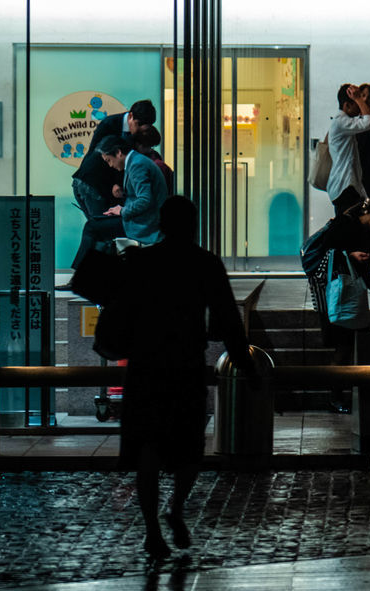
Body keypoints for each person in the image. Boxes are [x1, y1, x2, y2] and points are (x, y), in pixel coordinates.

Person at [116, 195, 256, 565]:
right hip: (185, 366)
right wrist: (246, 364)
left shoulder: (141, 262)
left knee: (147, 450)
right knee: (188, 449)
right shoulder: (204, 264)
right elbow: (227, 319)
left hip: (146, 368)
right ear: (193, 225)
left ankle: (151, 531)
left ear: (160, 222)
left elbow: (121, 313)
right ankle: (176, 508)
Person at [305, 197, 370, 413]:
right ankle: (336, 397)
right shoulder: (345, 223)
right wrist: (348, 255)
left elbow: (364, 272)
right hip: (338, 296)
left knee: (355, 347)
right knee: (344, 349)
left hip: (353, 298)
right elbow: (324, 254)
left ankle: (350, 395)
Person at [71, 135, 169, 268]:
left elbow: (145, 200)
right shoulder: (136, 161)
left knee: (92, 228)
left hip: (146, 221)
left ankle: (81, 274)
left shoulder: (137, 165)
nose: (110, 165)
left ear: (118, 152)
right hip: (143, 217)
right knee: (96, 224)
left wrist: (122, 210)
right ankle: (90, 273)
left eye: (109, 160)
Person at [71, 99, 157, 220]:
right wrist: (114, 182)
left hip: (110, 187)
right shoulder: (109, 124)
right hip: (92, 182)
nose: (139, 130)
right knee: (103, 225)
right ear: (131, 116)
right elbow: (96, 155)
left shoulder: (136, 134)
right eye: (138, 125)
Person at [327, 84, 370, 216]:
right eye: (356, 103)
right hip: (344, 186)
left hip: (345, 186)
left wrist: (361, 103)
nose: (360, 107)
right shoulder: (341, 122)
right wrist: (359, 99)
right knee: (349, 228)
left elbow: (367, 122)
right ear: (347, 106)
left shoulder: (343, 122)